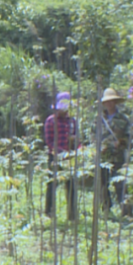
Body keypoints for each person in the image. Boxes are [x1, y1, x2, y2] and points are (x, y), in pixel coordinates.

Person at [96, 88, 132, 215]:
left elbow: (130, 136)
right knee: (103, 184)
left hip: (118, 156)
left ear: (115, 102)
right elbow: (92, 136)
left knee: (120, 183)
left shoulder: (123, 118)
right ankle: (106, 209)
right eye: (107, 102)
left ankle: (126, 211)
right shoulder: (99, 119)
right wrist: (99, 148)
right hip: (103, 157)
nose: (109, 104)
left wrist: (121, 142)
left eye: (112, 101)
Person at [43, 91, 78, 220]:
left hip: (70, 157)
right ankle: (49, 211)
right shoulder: (50, 121)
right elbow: (49, 141)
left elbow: (78, 140)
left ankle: (72, 214)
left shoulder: (73, 121)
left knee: (71, 186)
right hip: (55, 157)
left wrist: (75, 147)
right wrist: (61, 152)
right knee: (52, 184)